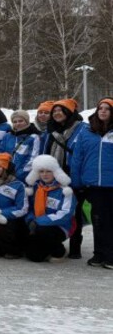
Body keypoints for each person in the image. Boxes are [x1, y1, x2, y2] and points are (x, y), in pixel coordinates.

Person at [70, 97, 113, 268]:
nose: (103, 111)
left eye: (107, 109)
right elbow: (77, 158)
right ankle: (99, 254)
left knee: (111, 220)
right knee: (98, 219)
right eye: (100, 108)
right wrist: (77, 182)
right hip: (93, 184)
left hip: (111, 185)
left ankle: (110, 255)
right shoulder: (86, 132)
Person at [43, 99, 88, 258]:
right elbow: (45, 152)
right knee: (54, 209)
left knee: (75, 212)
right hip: (53, 178)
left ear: (69, 113)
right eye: (54, 111)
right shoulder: (50, 131)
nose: (56, 114)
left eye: (60, 111)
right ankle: (55, 242)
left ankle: (75, 247)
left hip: (74, 178)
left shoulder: (82, 129)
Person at [24, 155, 76, 262]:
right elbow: (29, 209)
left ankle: (59, 251)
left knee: (43, 231)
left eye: (48, 171)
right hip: (37, 224)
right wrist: (30, 220)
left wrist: (38, 221)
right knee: (33, 256)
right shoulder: (35, 188)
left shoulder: (65, 191)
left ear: (55, 172)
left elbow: (65, 214)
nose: (44, 174)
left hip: (59, 226)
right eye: (41, 171)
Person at [0, 110, 41, 180]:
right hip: (6, 176)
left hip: (23, 177)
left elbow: (33, 159)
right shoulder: (7, 136)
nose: (18, 124)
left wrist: (18, 174)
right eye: (15, 122)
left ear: (27, 121)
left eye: (21, 121)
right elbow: (1, 154)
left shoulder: (33, 137)